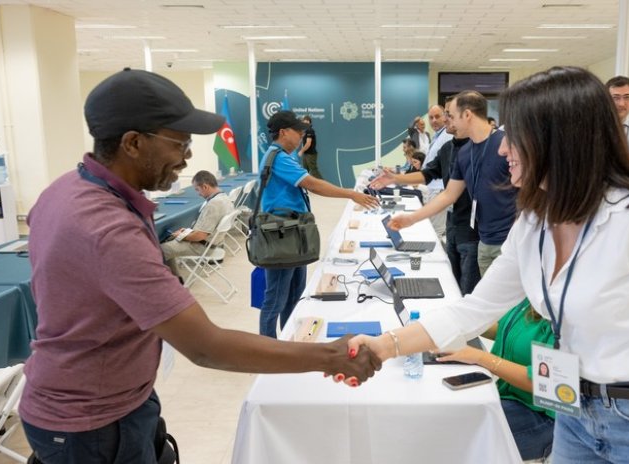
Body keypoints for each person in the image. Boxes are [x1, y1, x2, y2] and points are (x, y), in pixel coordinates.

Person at [350, 67, 629, 464]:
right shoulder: (534, 223)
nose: (503, 150)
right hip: (572, 409)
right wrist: (384, 346)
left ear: (559, 141)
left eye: (514, 137)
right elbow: (474, 309)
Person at [20, 68, 381, 464]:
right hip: (93, 425)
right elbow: (205, 346)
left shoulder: (63, 191)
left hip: (106, 402)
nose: (188, 157)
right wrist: (328, 357)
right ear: (133, 143)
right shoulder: (107, 228)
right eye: (179, 143)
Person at [258, 110, 378, 338]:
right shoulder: (279, 157)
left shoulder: (282, 155)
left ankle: (289, 339)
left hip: (293, 231)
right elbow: (313, 185)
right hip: (282, 235)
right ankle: (269, 348)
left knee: (294, 295)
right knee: (276, 299)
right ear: (284, 132)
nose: (302, 136)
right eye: (298, 132)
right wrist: (351, 194)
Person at [388, 90, 517, 276]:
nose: (450, 121)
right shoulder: (464, 153)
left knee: (515, 304)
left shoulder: (505, 145)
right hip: (485, 242)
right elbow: (449, 194)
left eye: (452, 116)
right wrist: (411, 219)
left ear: (467, 115)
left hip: (509, 243)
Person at [370, 97, 480, 294]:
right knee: (454, 284)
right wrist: (395, 178)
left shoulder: (477, 150)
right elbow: (427, 174)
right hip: (453, 223)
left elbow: (450, 194)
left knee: (468, 291)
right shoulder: (449, 148)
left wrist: (411, 218)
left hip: (473, 232)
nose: (445, 120)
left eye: (448, 115)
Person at [436, 299, 555, 461]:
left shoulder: (562, 315)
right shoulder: (531, 299)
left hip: (542, 417)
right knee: (448, 415)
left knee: (456, 438)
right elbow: (507, 331)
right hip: (511, 397)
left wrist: (482, 358)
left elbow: (545, 383)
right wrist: (460, 326)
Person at [160, 170, 234, 275]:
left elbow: (199, 236)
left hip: (200, 247)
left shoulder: (213, 204)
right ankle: (176, 279)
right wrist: (186, 232)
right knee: (168, 244)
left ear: (205, 186)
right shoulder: (225, 198)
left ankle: (167, 282)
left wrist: (181, 236)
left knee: (160, 250)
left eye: (197, 190)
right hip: (211, 243)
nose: (198, 194)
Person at [418, 104, 453, 238]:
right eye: (431, 117)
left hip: (440, 189)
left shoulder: (448, 136)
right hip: (433, 188)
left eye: (437, 116)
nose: (434, 120)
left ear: (445, 116)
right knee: (432, 229)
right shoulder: (437, 135)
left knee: (435, 232)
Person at [298, 114, 322, 179]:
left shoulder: (310, 130)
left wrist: (301, 151)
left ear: (309, 123)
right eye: (304, 122)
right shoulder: (304, 131)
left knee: (314, 172)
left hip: (310, 154)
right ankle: (306, 188)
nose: (305, 123)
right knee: (305, 172)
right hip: (306, 154)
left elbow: (308, 144)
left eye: (307, 122)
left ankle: (322, 187)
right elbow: (301, 140)